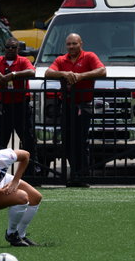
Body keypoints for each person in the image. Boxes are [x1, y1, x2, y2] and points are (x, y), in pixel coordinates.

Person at [44, 33, 106, 186]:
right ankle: (75, 173)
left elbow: (102, 71)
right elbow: (48, 73)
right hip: (66, 106)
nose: (71, 46)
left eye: (74, 43)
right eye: (68, 44)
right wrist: (64, 74)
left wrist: (80, 76)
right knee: (67, 141)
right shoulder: (61, 59)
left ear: (81, 44)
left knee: (80, 141)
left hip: (83, 106)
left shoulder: (89, 56)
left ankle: (82, 175)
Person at [0, 37, 38, 174]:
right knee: (0, 141)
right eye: (8, 47)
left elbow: (32, 72)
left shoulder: (23, 61)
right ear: (4, 48)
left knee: (28, 139)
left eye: (13, 47)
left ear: (18, 49)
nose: (10, 49)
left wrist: (13, 75)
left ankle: (32, 172)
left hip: (21, 106)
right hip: (4, 106)